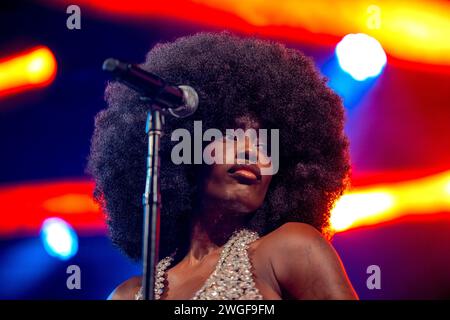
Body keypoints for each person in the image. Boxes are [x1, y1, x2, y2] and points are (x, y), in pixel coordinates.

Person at [87, 31, 358, 300]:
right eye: (234, 135)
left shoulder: (290, 250)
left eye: (266, 146)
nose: (252, 152)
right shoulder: (128, 294)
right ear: (187, 150)